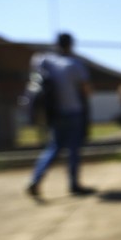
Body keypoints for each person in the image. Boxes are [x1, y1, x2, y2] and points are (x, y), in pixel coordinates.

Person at [26, 32, 94, 199]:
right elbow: (86, 90)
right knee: (73, 149)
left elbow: (34, 73)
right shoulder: (74, 64)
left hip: (54, 112)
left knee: (54, 147)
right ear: (70, 45)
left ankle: (36, 179)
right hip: (73, 111)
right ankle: (74, 184)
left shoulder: (44, 60)